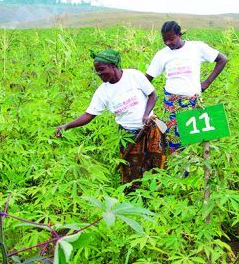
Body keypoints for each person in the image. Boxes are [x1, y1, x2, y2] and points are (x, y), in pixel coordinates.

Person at [55, 49, 166, 189]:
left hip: (151, 127)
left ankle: (156, 196)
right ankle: (133, 200)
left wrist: (146, 114)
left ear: (113, 66)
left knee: (156, 165)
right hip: (128, 134)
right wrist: (66, 126)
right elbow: (89, 115)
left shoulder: (134, 76)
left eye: (101, 70)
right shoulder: (103, 92)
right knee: (131, 171)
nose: (99, 74)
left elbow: (153, 95)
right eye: (97, 71)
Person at [146, 21, 228, 153]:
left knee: (193, 141)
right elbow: (147, 79)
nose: (168, 43)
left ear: (180, 35)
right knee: (173, 140)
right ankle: (175, 171)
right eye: (164, 40)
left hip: (193, 101)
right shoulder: (162, 55)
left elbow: (222, 59)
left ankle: (191, 171)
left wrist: (206, 83)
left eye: (171, 39)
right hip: (172, 103)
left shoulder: (196, 47)